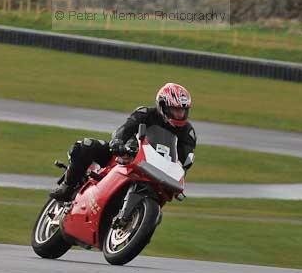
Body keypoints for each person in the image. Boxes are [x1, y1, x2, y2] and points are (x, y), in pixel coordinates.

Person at [50, 82, 196, 203]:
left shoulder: (188, 132)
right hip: (128, 155)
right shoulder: (146, 113)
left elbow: (183, 161)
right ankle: (67, 186)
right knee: (86, 146)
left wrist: (179, 178)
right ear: (163, 105)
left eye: (182, 110)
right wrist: (118, 142)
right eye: (175, 109)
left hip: (157, 172)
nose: (179, 114)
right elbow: (126, 128)